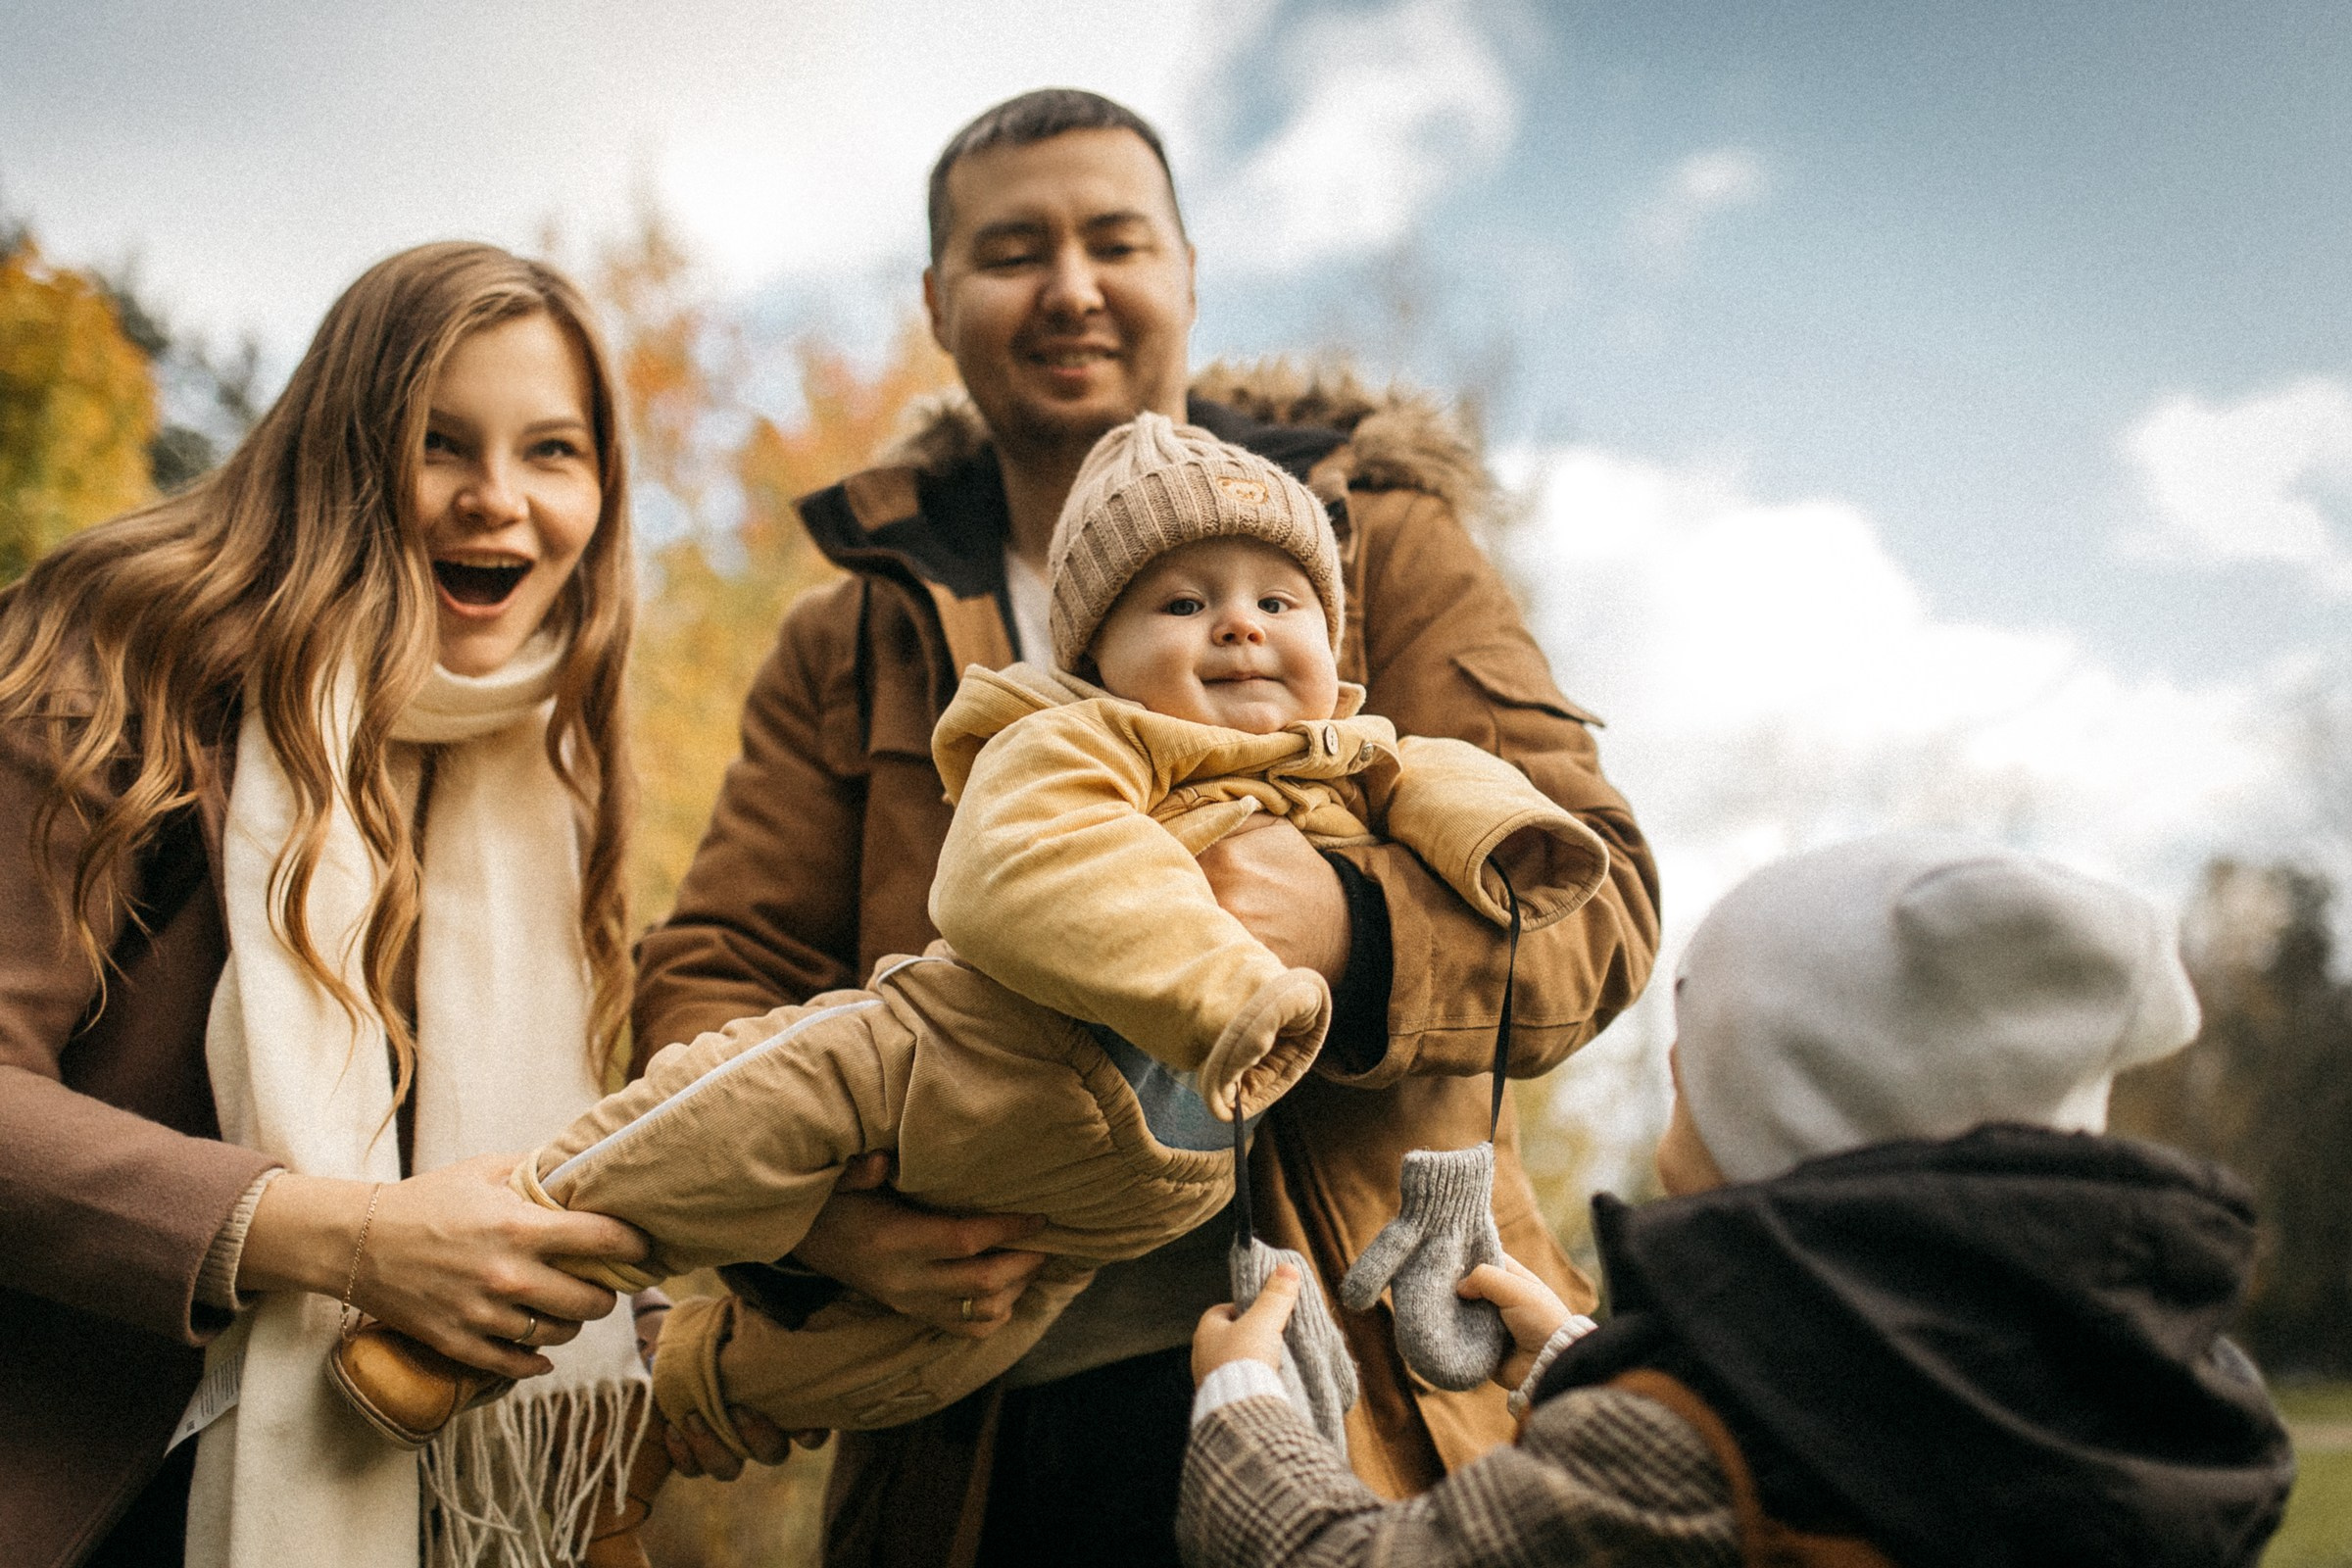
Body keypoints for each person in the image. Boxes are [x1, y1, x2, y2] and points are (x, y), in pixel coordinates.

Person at [631, 87, 1660, 1566]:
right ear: (938, 301)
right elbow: (713, 971)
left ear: (1186, 272)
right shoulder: (850, 634)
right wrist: (811, 1226)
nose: (1069, 287)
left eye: (1114, 240)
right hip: (971, 1436)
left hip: (1375, 1400)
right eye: (1011, 251)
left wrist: (1349, 928)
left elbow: (1598, 904)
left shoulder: (1384, 546)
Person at [335, 413, 1614, 1461]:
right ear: (1098, 657)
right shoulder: (1075, 738)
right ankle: (514, 1271)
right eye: (1181, 602)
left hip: (1125, 1199)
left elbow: (1456, 785)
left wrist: (1501, 849)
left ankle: (690, 1397)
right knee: (737, 1110)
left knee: (911, 1361)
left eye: (1278, 599)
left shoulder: (1356, 720)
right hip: (941, 1068)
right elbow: (1035, 870)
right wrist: (1224, 984)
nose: (1237, 624)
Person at [0, 241, 658, 1568]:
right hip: (104, 1488)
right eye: (440, 444)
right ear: (345, 446)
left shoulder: (554, 762)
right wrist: (343, 1239)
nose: (499, 503)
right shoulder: (111, 656)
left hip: (440, 1499)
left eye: (552, 453)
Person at [1179, 835, 2298, 1568]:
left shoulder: (1680, 1452)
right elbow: (1855, 1406)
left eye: (1699, 1041)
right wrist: (1579, 1358)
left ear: (1799, 1103)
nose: (1674, 1067)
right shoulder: (2145, 1389)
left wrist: (1240, 1397)